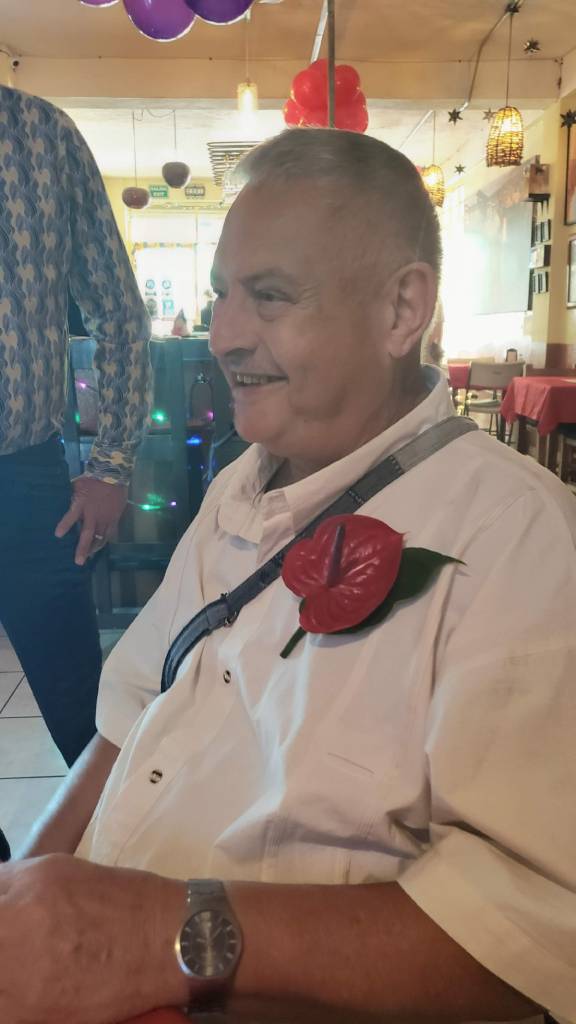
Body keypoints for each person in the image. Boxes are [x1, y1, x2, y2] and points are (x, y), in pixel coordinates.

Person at [3, 128, 576, 1024]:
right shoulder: (238, 483)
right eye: (221, 294)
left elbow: (533, 942)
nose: (224, 335)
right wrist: (31, 894)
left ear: (402, 309)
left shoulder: (519, 537)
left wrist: (152, 936)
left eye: (269, 296)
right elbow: (126, 718)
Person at [0, 84, 151, 768]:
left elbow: (116, 308)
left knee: (84, 712)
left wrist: (111, 464)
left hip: (23, 475)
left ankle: (112, 837)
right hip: (28, 475)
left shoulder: (41, 134)